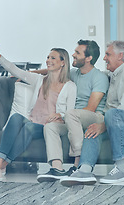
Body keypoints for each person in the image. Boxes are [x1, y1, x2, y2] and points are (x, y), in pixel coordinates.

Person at [60, 40, 124, 186]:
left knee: (111, 115)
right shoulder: (115, 74)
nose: (104, 58)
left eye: (108, 54)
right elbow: (93, 72)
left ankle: (121, 169)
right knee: (93, 128)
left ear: (120, 56)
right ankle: (85, 170)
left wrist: (103, 125)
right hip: (121, 120)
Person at [0, 40, 76, 181]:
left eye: (53, 58)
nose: (48, 60)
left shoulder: (70, 86)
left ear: (63, 62)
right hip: (32, 121)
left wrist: (60, 114)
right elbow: (15, 70)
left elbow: (70, 112)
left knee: (28, 127)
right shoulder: (40, 80)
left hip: (50, 126)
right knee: (16, 117)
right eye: (48, 57)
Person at [36, 39, 109, 182]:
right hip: (73, 118)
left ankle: (77, 164)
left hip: (94, 116)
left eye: (77, 53)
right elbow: (54, 70)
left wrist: (65, 116)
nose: (73, 55)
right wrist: (32, 72)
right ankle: (57, 168)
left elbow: (91, 108)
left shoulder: (99, 77)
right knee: (51, 126)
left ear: (88, 58)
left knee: (70, 114)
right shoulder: (75, 74)